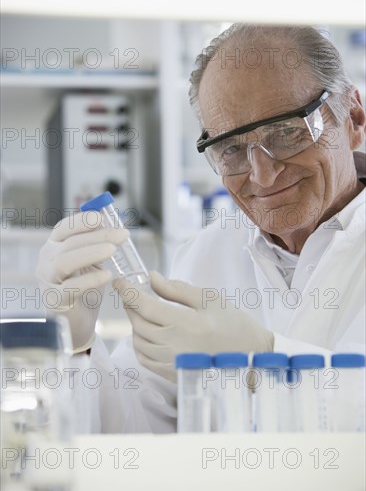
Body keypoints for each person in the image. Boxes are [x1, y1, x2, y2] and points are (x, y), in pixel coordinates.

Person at [36, 24, 366, 433]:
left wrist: (263, 360)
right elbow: (133, 433)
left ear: (353, 117)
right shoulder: (205, 255)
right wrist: (78, 343)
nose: (262, 176)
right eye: (231, 148)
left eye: (286, 133)